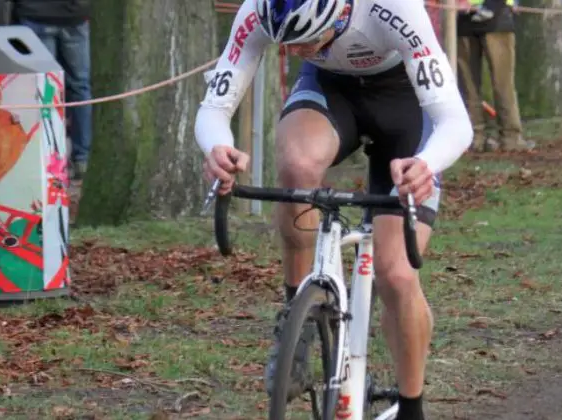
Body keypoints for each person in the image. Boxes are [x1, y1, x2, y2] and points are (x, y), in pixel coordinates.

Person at [193, 0, 473, 418]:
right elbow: (215, 108)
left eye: (307, 39)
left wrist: (426, 165)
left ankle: (411, 405)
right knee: (296, 165)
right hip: (330, 92)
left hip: (407, 103)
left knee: (396, 274)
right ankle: (298, 322)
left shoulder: (392, 9)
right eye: (287, 43)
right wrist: (217, 148)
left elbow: (455, 122)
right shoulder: (260, 9)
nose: (297, 50)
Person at [11, 0, 92, 180]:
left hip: (36, 14)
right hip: (74, 15)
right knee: (80, 86)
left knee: (45, 87)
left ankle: (46, 154)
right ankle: (82, 158)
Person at [457, 0, 533, 152]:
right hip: (493, 16)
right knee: (501, 84)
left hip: (467, 16)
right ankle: (509, 137)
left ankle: (475, 137)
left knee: (469, 85)